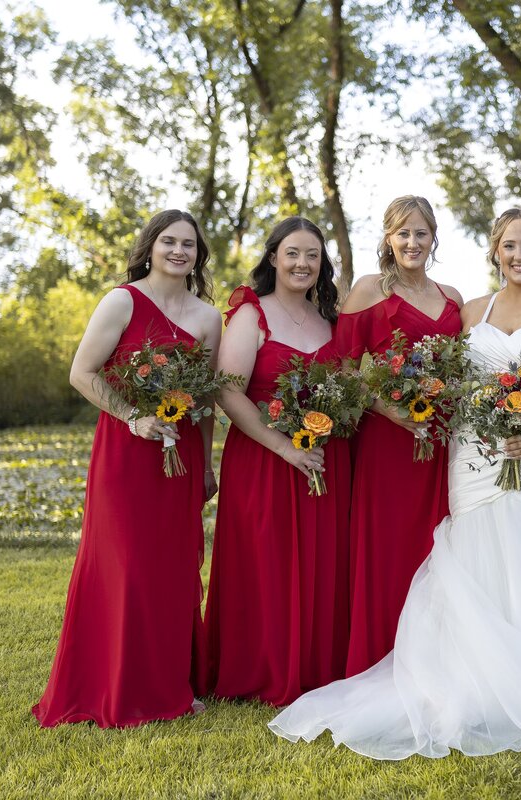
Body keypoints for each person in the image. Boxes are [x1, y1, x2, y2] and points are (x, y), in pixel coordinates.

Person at [268, 208, 521, 758]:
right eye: (509, 246)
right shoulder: (469, 311)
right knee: (477, 550)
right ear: (494, 251)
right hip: (476, 451)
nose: (519, 256)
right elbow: (437, 374)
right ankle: (476, 680)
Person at [32, 210, 222, 728]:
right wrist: (133, 416)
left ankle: (170, 685)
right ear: (151, 246)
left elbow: (203, 401)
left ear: (198, 255)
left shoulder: (208, 318)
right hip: (126, 453)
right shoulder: (121, 300)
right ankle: (114, 684)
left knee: (174, 568)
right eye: (169, 241)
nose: (179, 251)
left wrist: (205, 467)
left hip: (178, 457)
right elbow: (82, 372)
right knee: (126, 567)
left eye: (188, 244)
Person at [202, 217, 348, 706]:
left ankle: (314, 665)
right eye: (292, 253)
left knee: (321, 561)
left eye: (312, 255)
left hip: (323, 460)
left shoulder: (332, 319)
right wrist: (284, 446)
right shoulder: (251, 314)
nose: (303, 263)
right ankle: (260, 669)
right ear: (273, 259)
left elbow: (347, 388)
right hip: (265, 458)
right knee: (265, 561)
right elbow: (226, 390)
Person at [332, 196, 464, 677]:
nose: (412, 242)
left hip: (440, 437)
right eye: (403, 233)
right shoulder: (368, 290)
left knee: (437, 543)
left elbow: (460, 365)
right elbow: (344, 369)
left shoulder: (451, 296)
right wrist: (391, 409)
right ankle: (379, 656)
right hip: (387, 442)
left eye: (422, 233)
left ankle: (434, 659)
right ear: (388, 238)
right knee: (387, 548)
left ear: (434, 239)